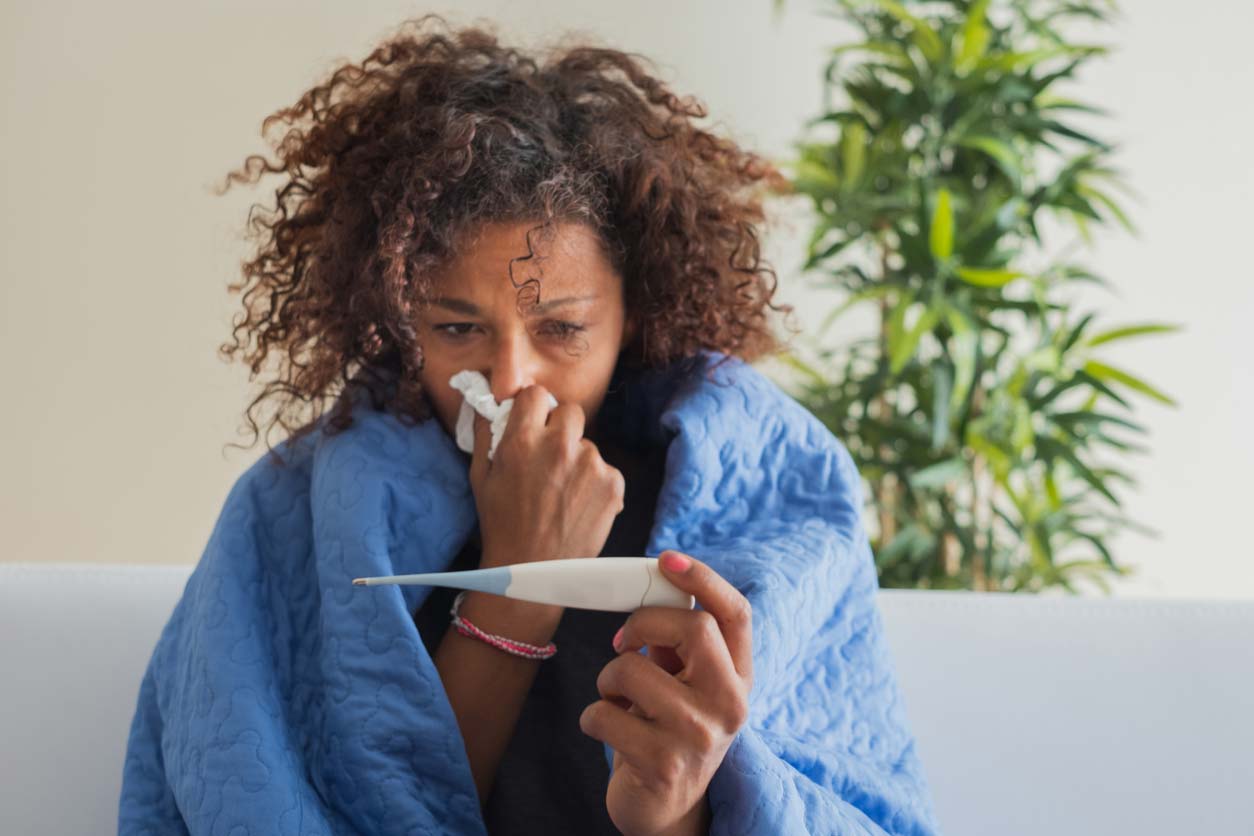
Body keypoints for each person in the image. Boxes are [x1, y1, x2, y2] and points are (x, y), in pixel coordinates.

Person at [119, 14, 940, 836]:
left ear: (635, 313)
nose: (510, 379)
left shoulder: (766, 494)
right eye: (456, 328)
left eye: (562, 329)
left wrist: (677, 811)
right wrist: (521, 578)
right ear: (399, 320)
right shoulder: (297, 510)